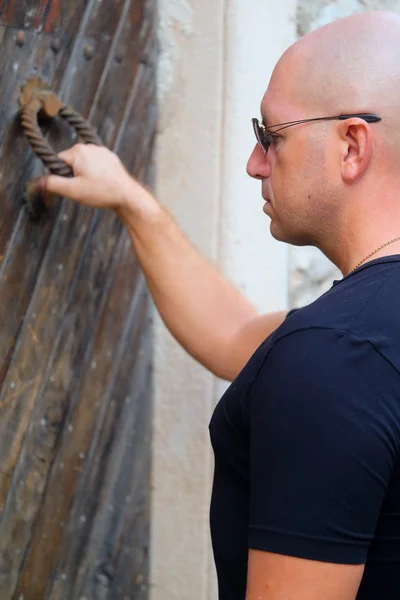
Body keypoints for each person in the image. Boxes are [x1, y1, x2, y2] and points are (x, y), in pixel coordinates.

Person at [41, 10, 400, 600]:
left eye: (271, 135)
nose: (255, 163)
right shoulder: (346, 344)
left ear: (352, 146)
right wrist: (134, 202)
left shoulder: (332, 358)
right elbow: (234, 334)